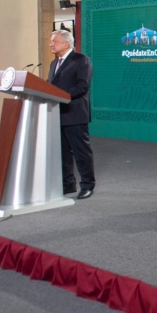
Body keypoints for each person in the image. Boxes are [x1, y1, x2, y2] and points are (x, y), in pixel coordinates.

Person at [48, 30, 95, 200]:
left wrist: (61, 96)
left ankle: (87, 185)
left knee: (81, 152)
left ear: (66, 44)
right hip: (57, 113)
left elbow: (82, 86)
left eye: (54, 41)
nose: (50, 44)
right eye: (51, 41)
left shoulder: (81, 60)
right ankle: (68, 185)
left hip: (75, 114)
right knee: (63, 153)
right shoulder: (53, 64)